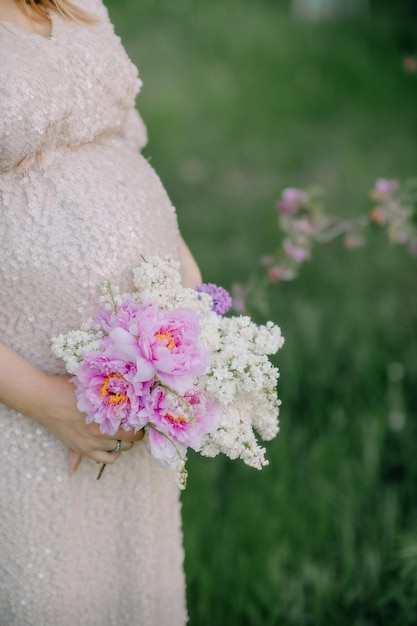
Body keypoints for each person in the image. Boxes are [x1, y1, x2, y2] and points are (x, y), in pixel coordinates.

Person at [0, 0, 200, 622]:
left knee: (127, 569)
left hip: (141, 367)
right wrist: (43, 399)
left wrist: (190, 296)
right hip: (28, 392)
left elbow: (124, 146)